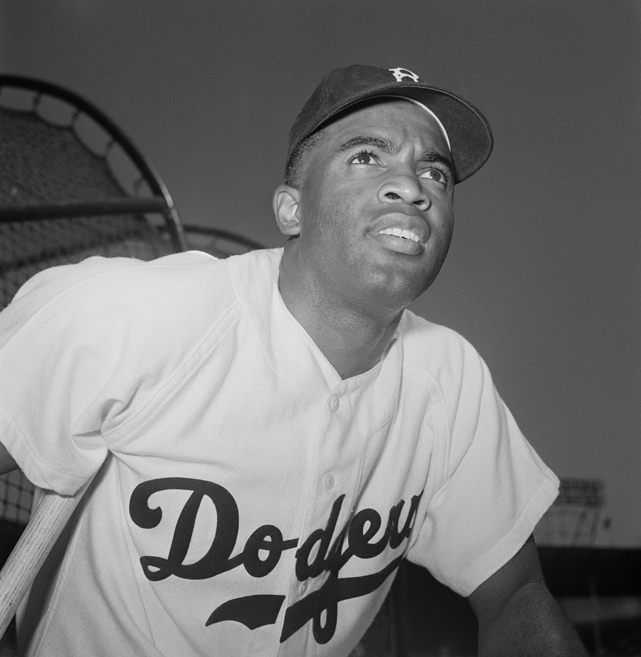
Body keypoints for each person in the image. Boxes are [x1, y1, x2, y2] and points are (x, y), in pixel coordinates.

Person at [0, 64, 586, 656]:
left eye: (434, 172)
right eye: (366, 156)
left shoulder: (449, 379)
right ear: (290, 210)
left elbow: (515, 595)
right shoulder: (142, 314)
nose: (412, 187)